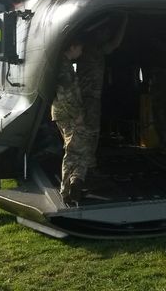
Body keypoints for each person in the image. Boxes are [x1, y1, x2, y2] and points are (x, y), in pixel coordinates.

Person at [77, 18, 126, 176]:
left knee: (85, 130)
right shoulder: (95, 48)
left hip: (84, 95)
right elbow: (115, 43)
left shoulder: (87, 46)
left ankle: (84, 163)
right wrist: (124, 21)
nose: (107, 36)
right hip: (89, 96)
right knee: (91, 130)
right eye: (105, 33)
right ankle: (89, 165)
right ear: (98, 33)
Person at [51, 38, 88, 204]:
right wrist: (77, 115)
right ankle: (66, 191)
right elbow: (65, 95)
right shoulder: (64, 67)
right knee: (73, 151)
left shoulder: (64, 64)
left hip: (63, 113)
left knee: (75, 148)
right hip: (68, 115)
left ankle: (75, 183)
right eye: (80, 47)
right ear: (72, 47)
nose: (81, 52)